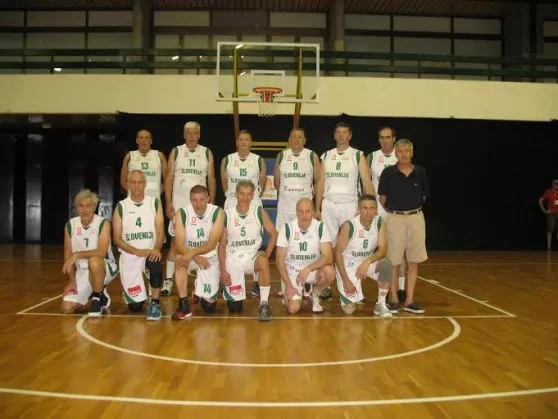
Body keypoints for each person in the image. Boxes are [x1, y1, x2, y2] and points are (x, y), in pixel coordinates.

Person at [315, 122, 374, 301]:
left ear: (350, 135)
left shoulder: (357, 155)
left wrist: (371, 207)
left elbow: (366, 181)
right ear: (334, 135)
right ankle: (327, 285)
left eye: (344, 132)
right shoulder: (326, 155)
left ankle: (353, 286)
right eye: (338, 132)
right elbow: (320, 182)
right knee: (329, 246)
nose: (341, 135)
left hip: (350, 204)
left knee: (350, 247)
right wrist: (317, 207)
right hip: (329, 204)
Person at [163, 121, 217, 295]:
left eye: (195, 133)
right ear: (184, 135)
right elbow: (169, 177)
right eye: (188, 133)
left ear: (199, 135)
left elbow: (211, 179)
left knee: (201, 240)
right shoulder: (176, 151)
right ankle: (168, 280)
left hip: (200, 205)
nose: (192, 136)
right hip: (179, 205)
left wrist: (211, 202)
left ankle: (202, 278)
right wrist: (168, 202)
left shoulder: (206, 152)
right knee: (175, 243)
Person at [378, 138, 429, 314]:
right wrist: (397, 211)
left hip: (416, 218)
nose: (404, 154)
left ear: (412, 153)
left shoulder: (420, 172)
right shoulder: (388, 173)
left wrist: (410, 210)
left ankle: (409, 300)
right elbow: (382, 198)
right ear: (395, 153)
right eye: (400, 151)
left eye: (407, 150)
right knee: (393, 261)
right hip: (395, 219)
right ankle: (393, 298)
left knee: (413, 261)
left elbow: (424, 196)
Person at [218, 181, 277, 321]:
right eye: (242, 194)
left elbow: (274, 233)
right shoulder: (227, 215)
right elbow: (222, 246)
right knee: (235, 308)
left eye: (249, 194)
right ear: (236, 194)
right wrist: (223, 271)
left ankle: (264, 304)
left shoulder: (258, 211)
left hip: (252, 257)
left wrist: (267, 254)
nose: (245, 198)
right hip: (233, 260)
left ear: (253, 195)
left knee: (263, 262)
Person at [112, 170, 165, 319]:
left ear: (145, 184)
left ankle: (155, 303)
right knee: (135, 308)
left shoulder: (154, 203)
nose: (137, 186)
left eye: (140, 182)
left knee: (155, 264)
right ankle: (137, 294)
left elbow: (160, 231)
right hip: (130, 254)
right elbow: (117, 239)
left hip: (149, 252)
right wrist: (137, 251)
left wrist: (156, 248)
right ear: (127, 184)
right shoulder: (121, 206)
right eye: (133, 182)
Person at [171, 185, 225, 320]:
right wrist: (196, 257)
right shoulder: (181, 213)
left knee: (209, 307)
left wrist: (193, 254)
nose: (198, 204)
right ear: (190, 200)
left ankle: (198, 290)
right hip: (190, 255)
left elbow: (211, 244)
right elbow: (178, 245)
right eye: (194, 200)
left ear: (208, 199)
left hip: (210, 256)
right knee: (179, 259)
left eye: (201, 200)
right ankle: (184, 304)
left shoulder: (218, 212)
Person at [334, 195, 393, 318]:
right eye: (365, 208)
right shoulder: (349, 226)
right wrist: (346, 280)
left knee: (386, 264)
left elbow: (383, 250)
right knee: (349, 310)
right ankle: (349, 290)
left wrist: (367, 261)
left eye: (372, 208)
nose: (368, 212)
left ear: (376, 210)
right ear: (359, 209)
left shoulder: (379, 222)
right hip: (348, 265)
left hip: (367, 262)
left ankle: (380, 303)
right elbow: (337, 254)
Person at [61, 189, 117, 316]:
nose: (84, 209)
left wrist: (78, 254)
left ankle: (97, 297)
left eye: (88, 206)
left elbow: (101, 252)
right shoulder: (70, 225)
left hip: (104, 266)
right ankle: (98, 292)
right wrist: (72, 281)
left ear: (94, 207)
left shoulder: (103, 223)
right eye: (81, 206)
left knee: (94, 261)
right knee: (66, 308)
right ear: (76, 207)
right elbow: (68, 255)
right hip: (83, 271)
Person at [367, 126, 407, 305]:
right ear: (378, 139)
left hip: (396, 210)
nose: (385, 140)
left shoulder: (400, 156)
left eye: (388, 137)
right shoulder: (372, 157)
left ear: (394, 138)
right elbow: (366, 182)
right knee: (378, 251)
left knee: (398, 251)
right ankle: (384, 291)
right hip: (378, 210)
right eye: (382, 137)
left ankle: (401, 290)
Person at [276, 198, 335, 314]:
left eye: (308, 211)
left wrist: (308, 269)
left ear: (313, 212)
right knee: (293, 309)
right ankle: (290, 291)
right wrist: (288, 285)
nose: (304, 215)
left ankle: (315, 294)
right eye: (301, 211)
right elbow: (279, 260)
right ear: (296, 212)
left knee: (330, 272)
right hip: (292, 272)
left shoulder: (320, 227)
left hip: (312, 270)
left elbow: (328, 256)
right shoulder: (287, 228)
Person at [274, 128, 321, 228]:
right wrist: (287, 193)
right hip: (285, 207)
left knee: (304, 236)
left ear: (304, 140)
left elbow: (318, 182)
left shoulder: (312, 156)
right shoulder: (281, 155)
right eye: (294, 137)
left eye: (300, 137)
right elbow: (276, 182)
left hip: (304, 209)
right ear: (289, 140)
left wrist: (317, 208)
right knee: (282, 236)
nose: (296, 139)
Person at [220, 130, 267, 211]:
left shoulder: (259, 160)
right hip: (233, 200)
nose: (243, 142)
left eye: (246, 139)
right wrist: (231, 195)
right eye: (241, 139)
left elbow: (262, 181)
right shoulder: (227, 160)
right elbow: (224, 182)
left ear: (251, 143)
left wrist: (255, 195)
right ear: (237, 142)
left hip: (253, 201)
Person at [119, 129, 168, 199]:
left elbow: (167, 179)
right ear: (137, 140)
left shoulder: (159, 155)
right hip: (134, 199)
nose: (144, 140)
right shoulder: (130, 156)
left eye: (147, 138)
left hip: (154, 198)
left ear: (151, 141)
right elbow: (123, 180)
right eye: (141, 138)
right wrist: (132, 191)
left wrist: (159, 191)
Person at [538, 179, 558, 250]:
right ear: (552, 184)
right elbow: (540, 201)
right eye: (555, 184)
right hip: (551, 213)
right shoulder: (548, 192)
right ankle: (549, 247)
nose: (557, 185)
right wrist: (544, 210)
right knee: (550, 230)